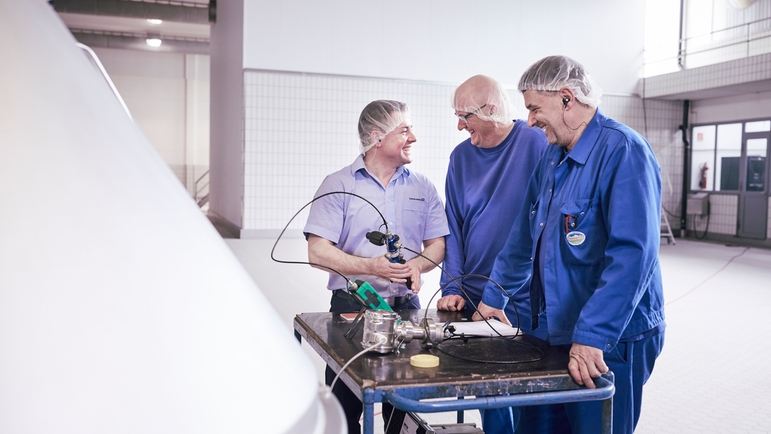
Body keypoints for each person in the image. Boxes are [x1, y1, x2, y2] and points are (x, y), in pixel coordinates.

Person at [475, 55, 666, 434]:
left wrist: (592, 336)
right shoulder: (552, 157)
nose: (528, 121)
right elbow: (522, 237)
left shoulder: (624, 151)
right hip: (556, 330)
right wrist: (492, 299)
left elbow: (633, 256)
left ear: (566, 98)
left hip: (612, 338)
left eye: (533, 109)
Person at [304, 100, 449, 434]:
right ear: (376, 137)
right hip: (353, 311)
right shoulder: (339, 184)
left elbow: (437, 245)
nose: (413, 136)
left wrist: (416, 265)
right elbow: (317, 251)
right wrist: (372, 266)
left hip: (407, 313)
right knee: (346, 404)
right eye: (404, 130)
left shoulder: (422, 186)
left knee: (404, 407)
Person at [436, 75, 548, 434]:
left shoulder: (535, 142)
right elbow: (452, 225)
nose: (459, 125)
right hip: (473, 292)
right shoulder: (461, 157)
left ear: (492, 109)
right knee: (489, 389)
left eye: (464, 115)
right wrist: (451, 286)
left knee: (529, 387)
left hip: (523, 293)